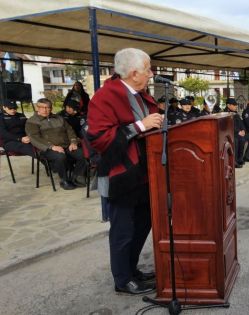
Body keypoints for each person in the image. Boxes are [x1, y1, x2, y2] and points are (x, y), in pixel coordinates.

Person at [87, 48, 163, 295]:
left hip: (144, 173)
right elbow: (99, 139)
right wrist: (141, 125)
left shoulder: (139, 93)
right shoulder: (104, 97)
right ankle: (122, 280)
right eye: (148, 69)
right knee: (123, 231)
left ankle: (132, 270)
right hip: (121, 176)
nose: (151, 74)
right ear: (133, 73)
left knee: (143, 224)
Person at [25, 98, 87, 190]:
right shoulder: (32, 121)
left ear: (51, 108)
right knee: (60, 157)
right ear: (37, 108)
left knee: (83, 154)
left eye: (48, 107)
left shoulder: (59, 118)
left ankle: (77, 176)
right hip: (47, 148)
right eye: (42, 107)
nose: (45, 110)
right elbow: (34, 138)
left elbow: (69, 130)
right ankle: (64, 180)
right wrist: (52, 147)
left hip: (66, 145)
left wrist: (73, 142)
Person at [224, 98, 249, 166]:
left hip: (240, 133)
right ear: (228, 105)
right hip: (232, 134)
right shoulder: (225, 114)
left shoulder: (235, 113)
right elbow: (229, 126)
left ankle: (245, 156)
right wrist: (238, 132)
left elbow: (241, 123)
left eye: (236, 105)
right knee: (240, 139)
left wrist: (243, 130)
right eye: (234, 105)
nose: (236, 106)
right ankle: (235, 160)